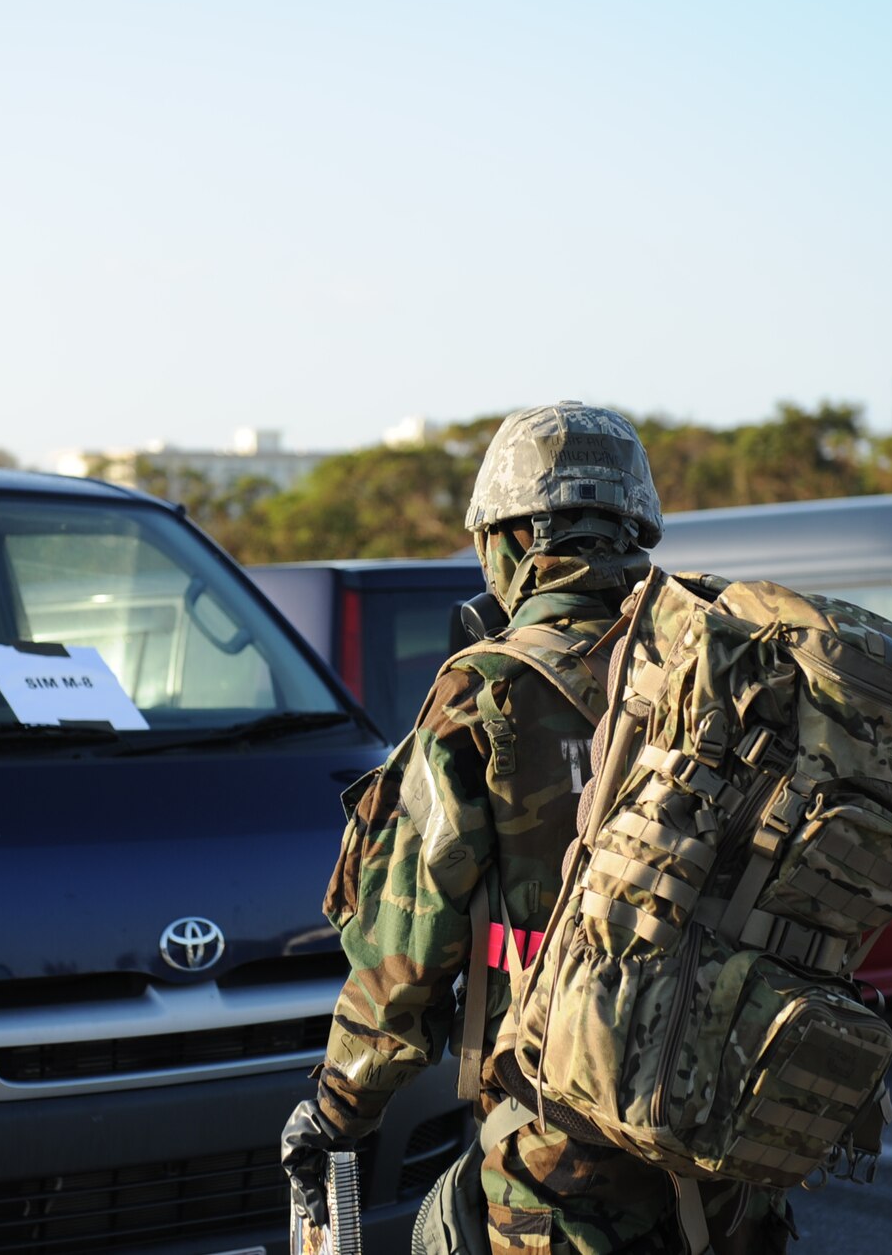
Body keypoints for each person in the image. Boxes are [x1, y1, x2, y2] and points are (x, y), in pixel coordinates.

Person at [281, 403, 798, 1254]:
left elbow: (404, 961)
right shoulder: (738, 669)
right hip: (731, 1138)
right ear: (637, 528)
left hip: (563, 1156)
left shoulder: (491, 694)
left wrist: (335, 1110)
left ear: (513, 541)